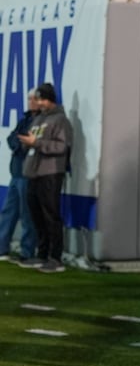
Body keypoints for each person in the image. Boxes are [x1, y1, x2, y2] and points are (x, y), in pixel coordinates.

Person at [18, 82, 73, 273]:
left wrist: (37, 143)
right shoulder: (38, 119)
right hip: (34, 172)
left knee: (51, 215)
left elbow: (61, 147)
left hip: (50, 172)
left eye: (42, 99)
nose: (38, 103)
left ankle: (55, 257)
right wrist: (27, 143)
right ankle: (41, 254)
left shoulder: (60, 120)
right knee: (37, 214)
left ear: (50, 99)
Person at [0, 89, 39, 262]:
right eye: (29, 98)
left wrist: (19, 142)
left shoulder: (40, 121)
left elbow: (27, 144)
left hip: (27, 173)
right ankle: (2, 247)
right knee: (9, 212)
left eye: (34, 99)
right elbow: (12, 139)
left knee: (27, 214)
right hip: (16, 172)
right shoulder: (24, 120)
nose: (31, 102)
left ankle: (27, 252)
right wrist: (19, 143)